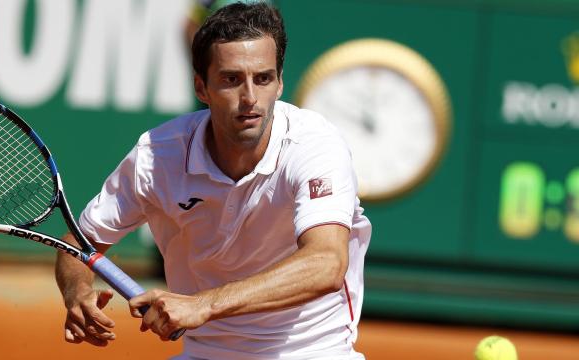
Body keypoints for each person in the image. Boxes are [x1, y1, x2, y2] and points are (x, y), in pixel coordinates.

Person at [55, 2, 371, 359]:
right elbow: (79, 245)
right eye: (231, 79)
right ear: (201, 87)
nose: (250, 98)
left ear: (280, 83)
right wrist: (76, 291)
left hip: (314, 351)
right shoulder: (157, 156)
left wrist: (204, 305)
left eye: (263, 78)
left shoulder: (314, 145)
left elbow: (326, 262)